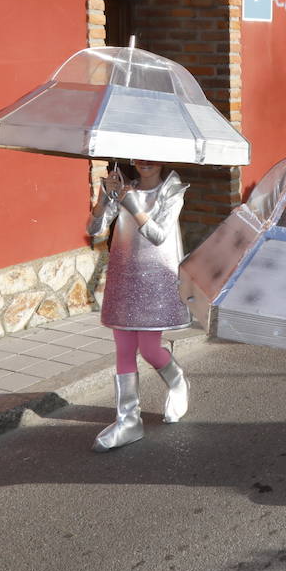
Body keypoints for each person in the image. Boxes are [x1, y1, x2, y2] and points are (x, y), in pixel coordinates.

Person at [86, 160, 192, 451]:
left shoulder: (173, 191)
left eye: (151, 156)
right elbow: (94, 229)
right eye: (139, 156)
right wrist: (104, 197)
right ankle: (128, 420)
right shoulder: (123, 189)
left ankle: (178, 380)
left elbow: (158, 235)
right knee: (123, 348)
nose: (145, 162)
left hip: (157, 277)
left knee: (148, 349)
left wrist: (132, 203)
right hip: (124, 275)